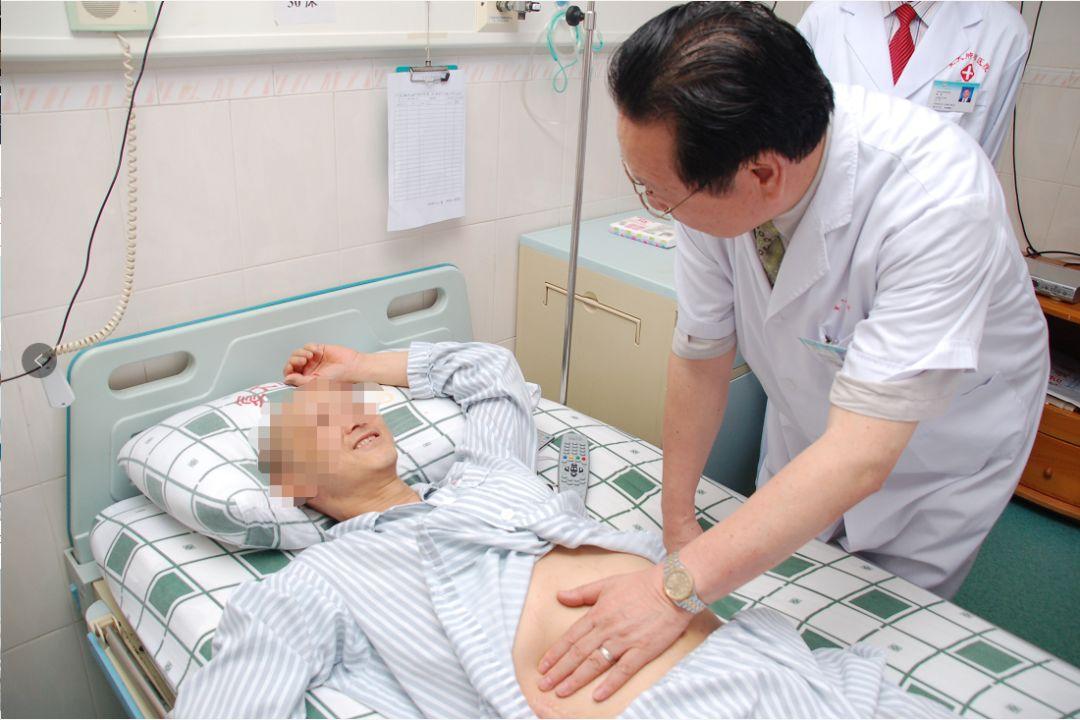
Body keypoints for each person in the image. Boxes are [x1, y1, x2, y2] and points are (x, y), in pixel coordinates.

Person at [534, 1, 1047, 706]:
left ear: (762, 176)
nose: (652, 201)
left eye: (658, 193)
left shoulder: (937, 198)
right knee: (774, 581)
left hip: (938, 445)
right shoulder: (714, 174)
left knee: (873, 639)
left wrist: (671, 589)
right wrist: (678, 525)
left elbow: (862, 454)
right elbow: (702, 352)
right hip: (813, 400)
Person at [171, 341, 946, 719]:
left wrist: (356, 368)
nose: (349, 416)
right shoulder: (322, 581)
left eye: (351, 405)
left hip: (782, 671)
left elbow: (492, 374)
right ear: (293, 488)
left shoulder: (486, 476)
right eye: (317, 424)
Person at [798, 1, 1029, 163]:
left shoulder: (1004, 31)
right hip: (832, 213)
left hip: (936, 215)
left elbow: (984, 160)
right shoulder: (823, 15)